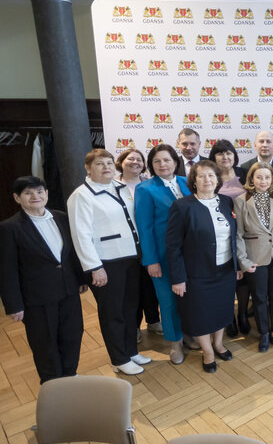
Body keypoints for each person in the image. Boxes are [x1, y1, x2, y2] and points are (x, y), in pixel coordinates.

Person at [67, 149, 152, 375]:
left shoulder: (120, 187)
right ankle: (119, 358)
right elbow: (81, 235)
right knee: (113, 312)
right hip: (106, 262)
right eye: (99, 164)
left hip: (131, 258)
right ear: (87, 168)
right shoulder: (81, 196)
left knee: (130, 309)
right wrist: (94, 267)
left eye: (108, 163)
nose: (106, 167)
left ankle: (131, 351)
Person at [0, 176, 88, 383]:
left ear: (47, 194)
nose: (35, 196)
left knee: (73, 333)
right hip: (37, 297)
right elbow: (6, 270)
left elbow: (71, 253)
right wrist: (14, 304)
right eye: (28, 193)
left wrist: (80, 278)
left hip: (68, 289)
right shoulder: (9, 227)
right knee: (45, 341)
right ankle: (52, 382)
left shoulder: (61, 217)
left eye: (39, 191)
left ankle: (70, 374)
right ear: (17, 198)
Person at [166, 160, 238, 373]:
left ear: (218, 179)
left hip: (225, 269)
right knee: (200, 314)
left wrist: (238, 266)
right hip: (196, 273)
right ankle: (207, 352)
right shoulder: (182, 206)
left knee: (222, 309)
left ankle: (219, 344)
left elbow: (234, 237)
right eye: (202, 175)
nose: (207, 179)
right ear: (194, 181)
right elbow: (173, 246)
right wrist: (178, 278)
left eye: (211, 175)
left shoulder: (226, 201)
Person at [134, 144, 192, 364]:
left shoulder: (187, 182)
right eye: (156, 161)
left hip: (190, 254)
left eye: (166, 160)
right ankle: (175, 344)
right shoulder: (145, 188)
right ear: (151, 165)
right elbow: (145, 227)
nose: (162, 165)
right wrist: (151, 260)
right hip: (162, 255)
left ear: (175, 162)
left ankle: (190, 334)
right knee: (168, 301)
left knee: (189, 298)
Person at [234, 162, 273, 352]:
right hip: (255, 258)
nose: (263, 181)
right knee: (259, 298)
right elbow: (238, 234)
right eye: (259, 177)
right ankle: (264, 334)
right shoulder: (241, 200)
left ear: (272, 179)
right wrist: (244, 261)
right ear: (252, 179)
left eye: (267, 177)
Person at [115, 149, 161, 342]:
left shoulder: (149, 184)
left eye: (139, 159)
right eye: (130, 158)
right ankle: (133, 326)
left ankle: (153, 320)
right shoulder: (113, 186)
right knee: (132, 289)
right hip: (126, 245)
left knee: (150, 284)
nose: (135, 162)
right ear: (121, 162)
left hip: (149, 241)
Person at [208, 139, 247, 336]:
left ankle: (243, 315)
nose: (225, 157)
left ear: (234, 155)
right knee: (228, 277)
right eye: (220, 153)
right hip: (222, 235)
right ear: (213, 157)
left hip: (246, 233)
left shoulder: (245, 174)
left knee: (244, 277)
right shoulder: (210, 177)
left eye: (229, 153)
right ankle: (229, 317)